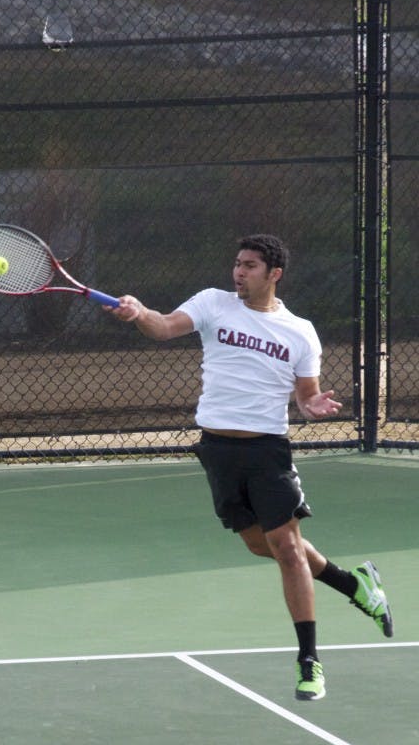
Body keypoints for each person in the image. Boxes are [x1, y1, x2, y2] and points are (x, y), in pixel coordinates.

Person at [107, 233, 393, 701]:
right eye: (237, 264)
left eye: (250, 266)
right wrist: (139, 313)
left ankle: (309, 661)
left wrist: (313, 403)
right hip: (218, 449)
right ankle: (353, 583)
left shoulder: (300, 331)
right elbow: (162, 327)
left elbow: (304, 396)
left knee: (286, 545)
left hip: (268, 450)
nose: (239, 272)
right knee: (263, 545)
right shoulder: (213, 304)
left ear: (274, 274)